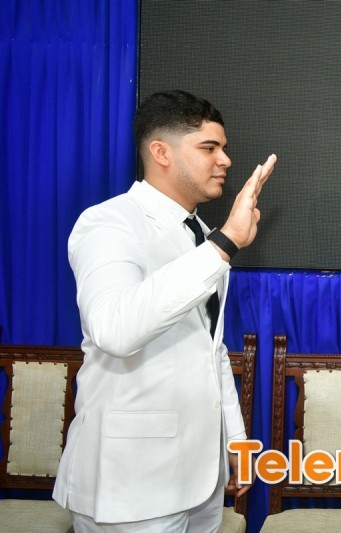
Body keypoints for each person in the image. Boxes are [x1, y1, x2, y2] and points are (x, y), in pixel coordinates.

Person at [53, 90, 277, 531]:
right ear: (161, 153)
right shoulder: (109, 222)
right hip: (131, 485)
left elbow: (210, 349)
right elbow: (114, 329)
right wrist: (224, 244)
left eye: (224, 148)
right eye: (209, 148)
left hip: (201, 479)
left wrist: (235, 441)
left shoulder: (203, 235)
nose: (225, 160)